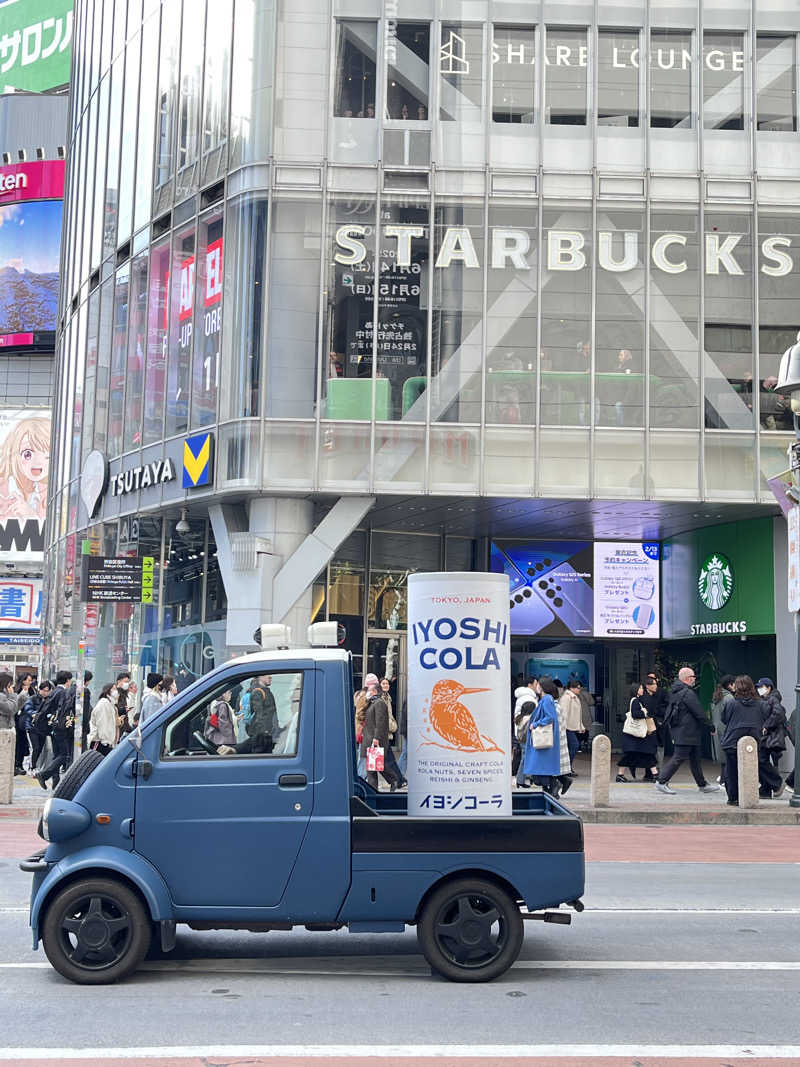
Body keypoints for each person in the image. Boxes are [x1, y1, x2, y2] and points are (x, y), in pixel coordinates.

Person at [655, 666, 721, 795]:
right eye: (693, 677)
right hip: (687, 732)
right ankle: (661, 781)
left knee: (695, 759)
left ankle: (702, 784)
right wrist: (710, 726)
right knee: (678, 757)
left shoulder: (675, 691)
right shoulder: (687, 693)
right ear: (687, 678)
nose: (694, 679)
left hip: (683, 731)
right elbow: (699, 713)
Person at [721, 676, 770, 806]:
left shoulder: (731, 703)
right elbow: (766, 716)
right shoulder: (761, 704)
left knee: (731, 771)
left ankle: (733, 797)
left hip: (732, 740)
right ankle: (749, 795)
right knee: (752, 769)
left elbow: (724, 719)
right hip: (753, 741)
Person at [522, 677, 571, 797]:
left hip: (542, 738)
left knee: (539, 769)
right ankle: (555, 787)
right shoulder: (546, 699)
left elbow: (550, 717)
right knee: (541, 769)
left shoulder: (547, 699)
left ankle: (556, 785)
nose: (537, 686)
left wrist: (536, 724)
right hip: (543, 738)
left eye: (538, 684)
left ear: (543, 687)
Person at [36, 670, 75, 791]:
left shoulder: (54, 692)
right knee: (64, 754)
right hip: (60, 728)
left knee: (57, 754)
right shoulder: (63, 693)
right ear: (67, 680)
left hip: (53, 727)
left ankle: (55, 781)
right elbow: (64, 711)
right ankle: (44, 775)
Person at [360, 672, 399, 790]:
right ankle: (391, 782)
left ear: (375, 691)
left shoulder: (380, 703)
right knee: (374, 768)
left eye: (370, 690)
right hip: (369, 739)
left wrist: (376, 738)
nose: (368, 692)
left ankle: (393, 780)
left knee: (374, 769)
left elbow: (380, 723)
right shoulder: (372, 703)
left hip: (374, 740)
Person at [617, 682, 658, 783]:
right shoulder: (635, 701)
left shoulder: (636, 700)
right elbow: (636, 714)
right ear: (635, 690)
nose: (642, 690)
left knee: (640, 754)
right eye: (640, 688)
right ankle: (656, 775)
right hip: (634, 735)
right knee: (645, 753)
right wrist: (645, 712)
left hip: (634, 736)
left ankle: (620, 775)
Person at [758, 678, 790, 773]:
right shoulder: (767, 699)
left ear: (769, 688)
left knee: (766, 759)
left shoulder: (772, 699)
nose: (759, 689)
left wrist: (766, 726)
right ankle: (773, 782)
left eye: (761, 687)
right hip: (771, 736)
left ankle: (775, 782)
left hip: (772, 735)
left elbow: (778, 713)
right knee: (769, 760)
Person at [711, 675, 735, 774]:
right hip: (727, 731)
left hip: (717, 730)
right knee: (728, 758)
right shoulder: (729, 698)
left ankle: (723, 779)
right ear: (730, 685)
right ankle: (725, 779)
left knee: (723, 758)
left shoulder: (717, 696)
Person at [559, 679, 585, 773]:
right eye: (578, 688)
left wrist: (580, 727)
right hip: (567, 727)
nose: (579, 689)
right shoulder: (567, 698)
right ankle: (566, 768)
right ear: (571, 688)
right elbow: (564, 713)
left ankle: (568, 768)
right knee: (574, 746)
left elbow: (577, 714)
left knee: (571, 747)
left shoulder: (574, 697)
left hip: (571, 727)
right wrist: (563, 727)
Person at [87, 683, 120, 756]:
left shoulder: (111, 704)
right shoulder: (104, 703)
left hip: (106, 742)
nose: (116, 691)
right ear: (108, 691)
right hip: (99, 742)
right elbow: (102, 723)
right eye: (114, 689)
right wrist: (105, 741)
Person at [645, 672, 672, 759]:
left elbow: (668, 705)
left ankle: (658, 766)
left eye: (653, 679)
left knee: (660, 743)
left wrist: (661, 715)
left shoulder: (663, 692)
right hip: (648, 721)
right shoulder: (643, 693)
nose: (651, 681)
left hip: (659, 721)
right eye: (649, 679)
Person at [27, 680, 51, 770]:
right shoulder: (33, 698)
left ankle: (35, 766)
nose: (45, 693)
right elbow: (28, 708)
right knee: (35, 747)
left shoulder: (49, 700)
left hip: (43, 728)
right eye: (43, 690)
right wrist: (34, 715)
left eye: (47, 691)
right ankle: (32, 767)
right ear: (39, 690)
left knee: (40, 748)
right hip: (32, 727)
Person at [13, 673, 35, 774]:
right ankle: (16, 764)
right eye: (28, 680)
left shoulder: (32, 690)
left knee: (23, 743)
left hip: (27, 720)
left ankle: (20, 764)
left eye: (31, 680)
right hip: (17, 720)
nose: (30, 682)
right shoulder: (16, 690)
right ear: (23, 680)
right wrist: (23, 693)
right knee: (18, 742)